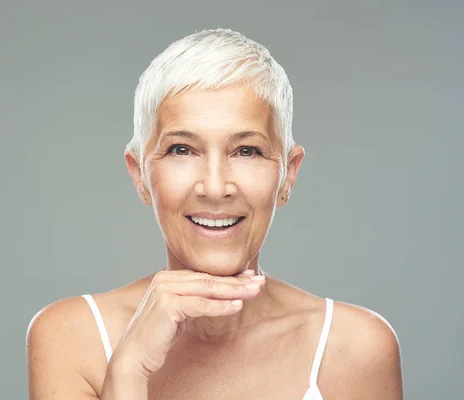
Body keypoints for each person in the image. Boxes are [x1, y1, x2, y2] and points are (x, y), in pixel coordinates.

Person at [25, 28, 403, 399]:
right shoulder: (71, 337)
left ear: (288, 175)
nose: (215, 186)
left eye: (246, 151)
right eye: (182, 150)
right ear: (140, 175)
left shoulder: (356, 348)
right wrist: (128, 370)